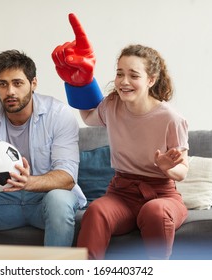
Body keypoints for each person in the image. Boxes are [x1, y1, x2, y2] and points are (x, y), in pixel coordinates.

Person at [52, 13, 189, 259]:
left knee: (155, 212)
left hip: (162, 194)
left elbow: (183, 171)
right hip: (122, 193)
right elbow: (89, 117)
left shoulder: (171, 118)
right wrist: (79, 83)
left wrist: (167, 168)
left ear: (151, 80)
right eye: (119, 73)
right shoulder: (113, 105)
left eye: (134, 75)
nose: (123, 81)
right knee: (96, 212)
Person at [0, 49, 86, 247]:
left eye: (17, 83)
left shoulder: (59, 114)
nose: (10, 91)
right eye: (3, 84)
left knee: (59, 200)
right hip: (1, 202)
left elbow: (68, 176)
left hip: (44, 201)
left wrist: (27, 182)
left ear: (33, 83)